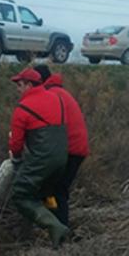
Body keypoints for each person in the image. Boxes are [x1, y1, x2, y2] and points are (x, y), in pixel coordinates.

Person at [9, 67, 69, 248]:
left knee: (20, 194)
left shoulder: (23, 108)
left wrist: (17, 161)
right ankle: (58, 237)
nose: (17, 89)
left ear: (29, 85)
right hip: (62, 159)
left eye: (19, 85)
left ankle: (55, 227)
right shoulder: (57, 99)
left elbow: (16, 145)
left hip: (42, 159)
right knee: (46, 194)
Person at [34, 65, 89, 228]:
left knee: (56, 190)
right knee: (53, 189)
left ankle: (60, 232)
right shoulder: (59, 92)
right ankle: (53, 226)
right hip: (75, 148)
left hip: (69, 150)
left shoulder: (50, 95)